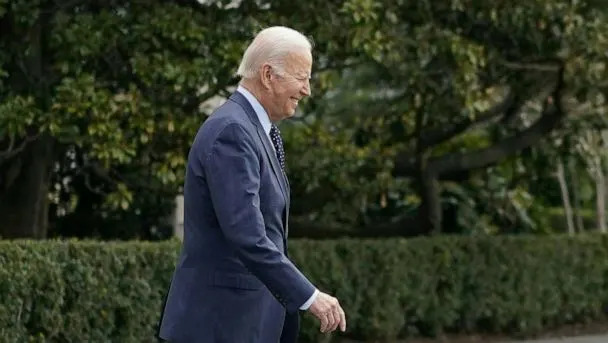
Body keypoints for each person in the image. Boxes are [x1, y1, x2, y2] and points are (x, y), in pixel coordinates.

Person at [157, 26, 347, 343]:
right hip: (222, 324)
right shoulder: (232, 131)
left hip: (246, 323)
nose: (307, 90)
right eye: (302, 78)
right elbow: (248, 235)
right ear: (268, 74)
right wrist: (309, 296)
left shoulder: (254, 129)